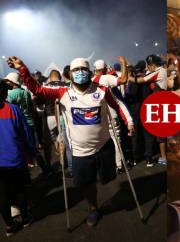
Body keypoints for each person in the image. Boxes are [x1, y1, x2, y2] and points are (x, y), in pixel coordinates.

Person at [7, 56, 134, 227]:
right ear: (70, 74)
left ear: (89, 72)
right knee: (87, 184)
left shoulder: (102, 90)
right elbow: (37, 89)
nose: (80, 72)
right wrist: (22, 68)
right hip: (80, 151)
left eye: (83, 69)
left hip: (104, 146)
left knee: (107, 178)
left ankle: (107, 183)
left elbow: (118, 104)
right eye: (76, 70)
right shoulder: (63, 92)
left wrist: (129, 122)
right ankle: (93, 208)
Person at [0, 79, 35, 237]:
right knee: (19, 189)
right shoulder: (13, 109)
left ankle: (9, 226)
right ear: (4, 92)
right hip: (15, 158)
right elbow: (26, 133)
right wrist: (30, 152)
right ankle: (26, 218)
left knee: (2, 194)